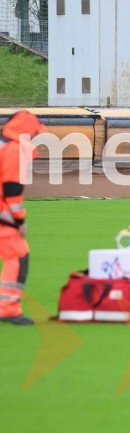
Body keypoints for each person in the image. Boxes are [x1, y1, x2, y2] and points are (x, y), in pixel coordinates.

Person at [0, 111, 46, 325]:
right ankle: (8, 309)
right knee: (18, 257)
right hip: (4, 217)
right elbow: (12, 190)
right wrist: (19, 221)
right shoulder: (13, 150)